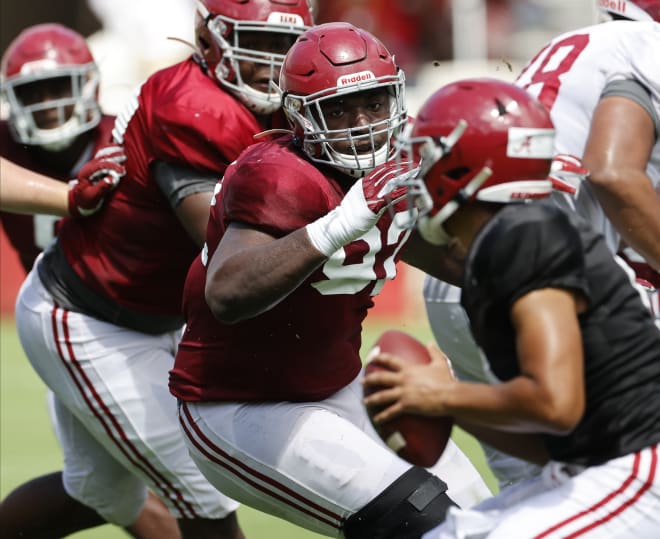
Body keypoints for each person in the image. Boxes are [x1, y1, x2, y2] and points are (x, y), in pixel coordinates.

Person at [169, 22, 492, 539]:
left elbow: (456, 259)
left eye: (373, 102)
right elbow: (227, 293)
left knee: (482, 516)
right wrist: (339, 223)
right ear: (300, 115)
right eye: (337, 109)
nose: (360, 123)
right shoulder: (280, 174)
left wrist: (533, 210)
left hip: (337, 386)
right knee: (422, 521)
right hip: (238, 406)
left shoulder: (399, 167)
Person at [11, 2, 313, 538]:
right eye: (256, 41)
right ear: (209, 37)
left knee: (98, 489)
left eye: (281, 44)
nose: (272, 61)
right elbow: (222, 246)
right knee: (200, 484)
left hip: (148, 313)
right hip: (88, 316)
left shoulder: (247, 99)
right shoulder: (194, 106)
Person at [362, 78, 660, 539]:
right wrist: (448, 408)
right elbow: (550, 443)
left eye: (427, 156)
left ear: (469, 168)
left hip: (640, 465)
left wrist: (440, 394)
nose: (415, 173)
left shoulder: (522, 236)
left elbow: (554, 403)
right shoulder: (495, 246)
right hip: (597, 463)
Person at [421, 0, 660, 489]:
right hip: (541, 280)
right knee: (623, 481)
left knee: (545, 491)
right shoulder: (647, 48)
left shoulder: (573, 47)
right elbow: (614, 174)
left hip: (463, 271)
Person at [0, 24, 180, 539]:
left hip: (155, 317)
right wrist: (68, 199)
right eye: (33, 93)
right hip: (76, 330)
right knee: (125, 485)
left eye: (59, 87)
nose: (49, 104)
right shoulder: (9, 146)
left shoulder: (126, 137)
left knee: (117, 486)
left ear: (91, 85)